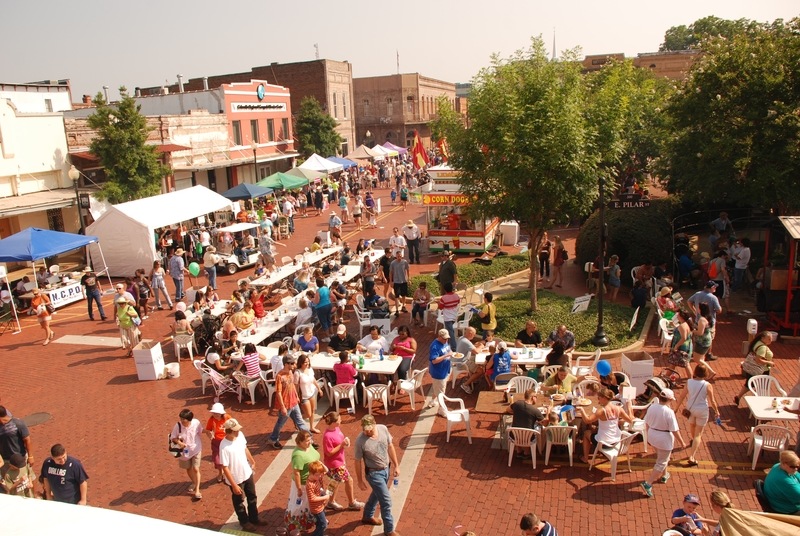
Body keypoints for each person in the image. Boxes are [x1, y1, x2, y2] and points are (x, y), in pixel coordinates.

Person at [354, 415, 401, 536]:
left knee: (376, 494)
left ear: (375, 424)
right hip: (374, 474)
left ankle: (367, 516)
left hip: (386, 469)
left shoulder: (383, 429)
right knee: (386, 501)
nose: (368, 432)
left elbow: (390, 446)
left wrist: (396, 465)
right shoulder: (360, 441)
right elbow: (357, 461)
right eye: (365, 429)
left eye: (370, 429)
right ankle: (389, 530)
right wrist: (359, 480)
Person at [640, 388, 686, 499]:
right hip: (664, 439)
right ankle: (648, 483)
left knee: (662, 457)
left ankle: (665, 475)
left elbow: (646, 423)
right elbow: (674, 430)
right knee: (661, 461)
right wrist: (682, 442)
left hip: (652, 435)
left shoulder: (652, 407)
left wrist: (647, 437)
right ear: (669, 399)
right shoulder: (669, 412)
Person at [219, 419, 261, 531]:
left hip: (247, 473)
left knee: (252, 496)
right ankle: (244, 522)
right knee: (239, 501)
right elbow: (225, 467)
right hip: (236, 478)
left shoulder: (240, 436)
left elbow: (245, 448)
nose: (238, 432)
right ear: (229, 431)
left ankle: (254, 518)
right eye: (235, 430)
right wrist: (234, 485)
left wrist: (252, 461)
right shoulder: (224, 446)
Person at [675, 363, 720, 467]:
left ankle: (693, 441)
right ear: (705, 373)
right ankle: (692, 456)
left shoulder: (689, 382)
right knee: (698, 434)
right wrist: (717, 411)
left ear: (695, 372)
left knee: (692, 427)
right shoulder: (707, 385)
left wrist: (676, 408)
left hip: (690, 409)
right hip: (702, 410)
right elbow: (712, 401)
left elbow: (682, 396)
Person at [322, 411, 364, 512]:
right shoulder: (327, 436)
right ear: (333, 422)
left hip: (339, 461)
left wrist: (345, 443)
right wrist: (341, 445)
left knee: (334, 482)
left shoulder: (336, 428)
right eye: (339, 419)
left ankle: (330, 501)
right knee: (349, 480)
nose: (341, 420)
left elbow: (340, 441)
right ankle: (351, 502)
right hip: (335, 464)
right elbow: (329, 452)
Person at [578, 388, 634, 464]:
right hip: (617, 441)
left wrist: (582, 410)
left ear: (604, 398)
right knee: (595, 430)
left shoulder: (601, 411)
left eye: (599, 398)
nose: (598, 400)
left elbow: (587, 420)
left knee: (586, 433)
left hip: (604, 443)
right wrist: (629, 407)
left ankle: (585, 458)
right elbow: (630, 420)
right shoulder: (619, 409)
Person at [268, 354, 311, 449]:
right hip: (286, 404)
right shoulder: (280, 376)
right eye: (291, 363)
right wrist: (282, 407)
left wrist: (296, 396)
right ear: (286, 364)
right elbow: (278, 392)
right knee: (280, 423)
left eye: (293, 363)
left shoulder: (291, 372)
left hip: (294, 402)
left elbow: (292, 385)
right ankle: (273, 439)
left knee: (300, 421)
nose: (293, 365)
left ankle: (309, 438)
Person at [286, 430, 320, 533]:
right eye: (306, 441)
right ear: (299, 442)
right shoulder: (298, 455)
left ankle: (307, 523)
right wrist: (299, 488)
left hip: (313, 481)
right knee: (299, 506)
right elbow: (297, 473)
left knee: (308, 504)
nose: (309, 442)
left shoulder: (309, 447)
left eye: (310, 440)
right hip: (303, 484)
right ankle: (295, 527)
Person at [169, 409, 203, 500]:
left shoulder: (196, 423)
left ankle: (197, 490)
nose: (182, 421)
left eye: (184, 419)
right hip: (184, 452)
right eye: (181, 419)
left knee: (196, 468)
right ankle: (194, 482)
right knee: (188, 468)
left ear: (189, 420)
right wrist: (179, 443)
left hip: (196, 449)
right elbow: (173, 437)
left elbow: (200, 432)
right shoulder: (178, 426)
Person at [735, 330, 776, 406]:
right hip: (761, 370)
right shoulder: (763, 348)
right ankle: (758, 401)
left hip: (751, 368)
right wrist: (769, 362)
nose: (771, 341)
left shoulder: (757, 343)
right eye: (769, 339)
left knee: (749, 384)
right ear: (763, 338)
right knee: (762, 386)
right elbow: (758, 360)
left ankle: (738, 397)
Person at [507, 389, 546, 457]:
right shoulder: (535, 411)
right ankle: (526, 453)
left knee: (518, 428)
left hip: (514, 436)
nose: (536, 399)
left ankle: (519, 451)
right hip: (528, 438)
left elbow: (508, 410)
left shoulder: (517, 404)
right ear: (532, 397)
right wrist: (548, 411)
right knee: (537, 428)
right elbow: (545, 423)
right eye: (536, 397)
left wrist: (517, 412)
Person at [764, 450, 800, 515]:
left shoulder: (778, 466)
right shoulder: (784, 480)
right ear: (784, 463)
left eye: (797, 466)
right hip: (786, 509)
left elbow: (797, 475)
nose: (796, 469)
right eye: (793, 467)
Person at [427, 328, 454, 413]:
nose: (446, 340)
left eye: (447, 338)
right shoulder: (435, 346)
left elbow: (449, 350)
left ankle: (432, 401)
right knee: (441, 392)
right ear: (439, 337)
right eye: (444, 338)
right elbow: (434, 361)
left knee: (438, 388)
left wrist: (451, 354)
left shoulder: (445, 342)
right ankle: (442, 410)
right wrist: (446, 356)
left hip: (446, 370)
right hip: (439, 372)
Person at [0, 406, 34, 472]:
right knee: (9, 480)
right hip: (6, 461)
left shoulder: (18, 423)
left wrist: (30, 456)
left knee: (27, 479)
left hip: (20, 459)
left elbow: (27, 440)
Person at [204, 402, 230, 483]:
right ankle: (220, 473)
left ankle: (227, 474)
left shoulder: (227, 418)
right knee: (217, 460)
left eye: (217, 413)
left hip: (226, 441)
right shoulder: (211, 420)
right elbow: (208, 430)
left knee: (227, 459)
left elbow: (233, 427)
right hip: (216, 442)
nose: (216, 415)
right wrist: (210, 436)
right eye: (214, 413)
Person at [295, 354, 321, 434]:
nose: (307, 364)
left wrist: (319, 388)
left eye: (308, 362)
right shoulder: (297, 373)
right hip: (304, 396)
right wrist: (296, 396)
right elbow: (295, 386)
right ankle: (298, 420)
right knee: (308, 414)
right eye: (305, 362)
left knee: (313, 411)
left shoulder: (310, 369)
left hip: (311, 393)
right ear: (301, 363)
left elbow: (313, 379)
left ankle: (312, 427)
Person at [691, 302, 718, 378]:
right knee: (701, 358)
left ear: (701, 309)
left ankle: (711, 371)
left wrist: (692, 330)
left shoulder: (702, 320)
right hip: (706, 341)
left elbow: (700, 333)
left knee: (696, 359)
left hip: (702, 342)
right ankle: (704, 373)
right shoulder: (708, 317)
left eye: (698, 307)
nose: (697, 309)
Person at [458, 326, 486, 394]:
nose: (474, 336)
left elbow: (471, 347)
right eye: (474, 334)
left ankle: (472, 378)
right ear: (470, 334)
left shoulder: (461, 338)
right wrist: (481, 346)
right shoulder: (466, 342)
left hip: (463, 359)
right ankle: (465, 384)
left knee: (479, 362)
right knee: (481, 371)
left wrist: (476, 346)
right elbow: (476, 351)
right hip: (463, 362)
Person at [305, 461, 330, 536]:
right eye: (317, 475)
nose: (320, 476)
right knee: (323, 524)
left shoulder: (317, 477)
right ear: (311, 473)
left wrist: (321, 464)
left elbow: (326, 470)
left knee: (319, 523)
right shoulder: (309, 484)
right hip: (316, 508)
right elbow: (312, 498)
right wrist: (325, 497)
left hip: (321, 506)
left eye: (320, 474)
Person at [389, 251, 410, 317]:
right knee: (396, 296)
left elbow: (407, 270)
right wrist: (391, 281)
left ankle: (403, 306)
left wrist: (408, 279)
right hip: (396, 282)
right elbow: (391, 272)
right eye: (398, 256)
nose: (399, 257)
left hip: (404, 281)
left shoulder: (405, 262)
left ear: (401, 256)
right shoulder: (393, 263)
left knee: (404, 295)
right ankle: (397, 310)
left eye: (400, 256)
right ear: (396, 256)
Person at [312, 277, 333, 342]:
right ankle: (332, 334)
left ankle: (327, 337)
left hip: (321, 308)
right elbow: (330, 295)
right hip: (328, 305)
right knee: (328, 319)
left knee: (324, 322)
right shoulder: (326, 288)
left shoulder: (318, 291)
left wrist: (313, 300)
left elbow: (317, 301)